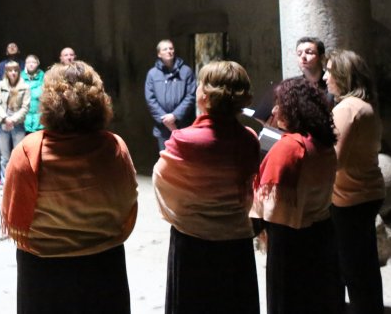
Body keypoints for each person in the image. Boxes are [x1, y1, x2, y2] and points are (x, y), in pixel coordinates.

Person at [2, 61, 138, 314]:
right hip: (103, 268)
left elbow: (13, 216)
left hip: (43, 274)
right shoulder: (115, 147)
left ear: (48, 100)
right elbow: (128, 204)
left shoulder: (27, 152)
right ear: (99, 100)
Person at [152, 61, 260, 314]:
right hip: (235, 242)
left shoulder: (183, 141)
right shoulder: (249, 140)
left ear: (204, 95)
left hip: (193, 243)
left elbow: (161, 182)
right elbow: (249, 190)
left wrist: (186, 211)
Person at [250, 77, 341, 314]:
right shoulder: (323, 143)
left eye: (280, 104)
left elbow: (269, 207)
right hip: (321, 234)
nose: (274, 110)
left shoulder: (290, 147)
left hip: (290, 243)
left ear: (295, 108)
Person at [325, 49, 386, 314]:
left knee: (353, 269)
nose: (326, 77)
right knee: (365, 266)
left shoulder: (346, 109)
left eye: (329, 71)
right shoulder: (367, 106)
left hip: (350, 197)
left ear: (342, 75)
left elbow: (333, 159)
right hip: (368, 191)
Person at [253, 36, 328, 123]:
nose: (303, 56)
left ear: (321, 57)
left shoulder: (331, 83)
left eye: (309, 52)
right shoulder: (291, 86)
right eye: (299, 54)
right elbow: (260, 116)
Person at [144, 40, 197, 152]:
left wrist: (175, 116)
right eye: (165, 49)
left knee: (185, 160)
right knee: (166, 161)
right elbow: (150, 99)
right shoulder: (152, 74)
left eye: (171, 48)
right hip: (162, 128)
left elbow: (191, 96)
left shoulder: (186, 72)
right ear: (159, 54)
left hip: (183, 125)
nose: (169, 51)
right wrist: (166, 120)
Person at [0, 60, 30, 183]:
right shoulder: (1, 85)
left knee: (18, 156)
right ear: (6, 72)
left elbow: (25, 107)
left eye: (15, 70)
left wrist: (12, 120)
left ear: (19, 71)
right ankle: (6, 183)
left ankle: (18, 182)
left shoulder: (25, 86)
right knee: (4, 157)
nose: (13, 73)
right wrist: (5, 118)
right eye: (10, 70)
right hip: (3, 124)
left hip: (17, 124)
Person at [21, 55, 45, 134]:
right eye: (28, 62)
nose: (31, 64)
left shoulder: (44, 77)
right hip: (23, 119)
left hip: (39, 118)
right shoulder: (20, 77)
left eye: (33, 62)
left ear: (38, 63)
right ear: (25, 64)